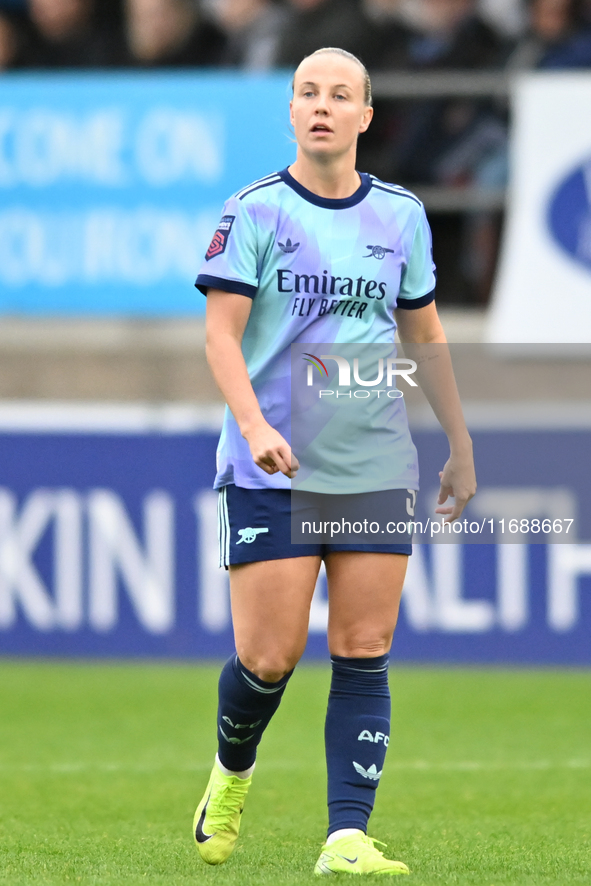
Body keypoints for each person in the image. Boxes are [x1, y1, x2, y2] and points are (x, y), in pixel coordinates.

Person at [193, 47, 476, 876]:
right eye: (308, 92)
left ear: (365, 116)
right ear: (290, 112)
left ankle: (345, 836)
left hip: (370, 456)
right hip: (272, 462)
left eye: (339, 94)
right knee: (268, 658)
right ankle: (231, 774)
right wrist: (251, 427)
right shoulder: (252, 211)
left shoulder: (400, 215)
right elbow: (219, 334)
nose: (322, 104)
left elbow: (423, 333)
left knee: (364, 641)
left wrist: (458, 441)